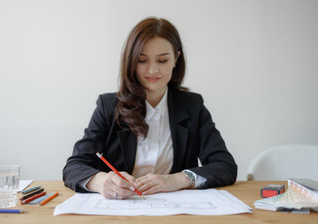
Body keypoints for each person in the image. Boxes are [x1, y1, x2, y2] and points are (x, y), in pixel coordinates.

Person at [63, 17, 237, 200]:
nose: (152, 70)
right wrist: (101, 181)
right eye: (142, 60)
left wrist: (177, 179)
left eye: (162, 60)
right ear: (131, 61)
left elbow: (225, 166)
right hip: (119, 210)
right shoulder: (109, 106)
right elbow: (74, 166)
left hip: (175, 210)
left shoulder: (192, 106)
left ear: (176, 59)